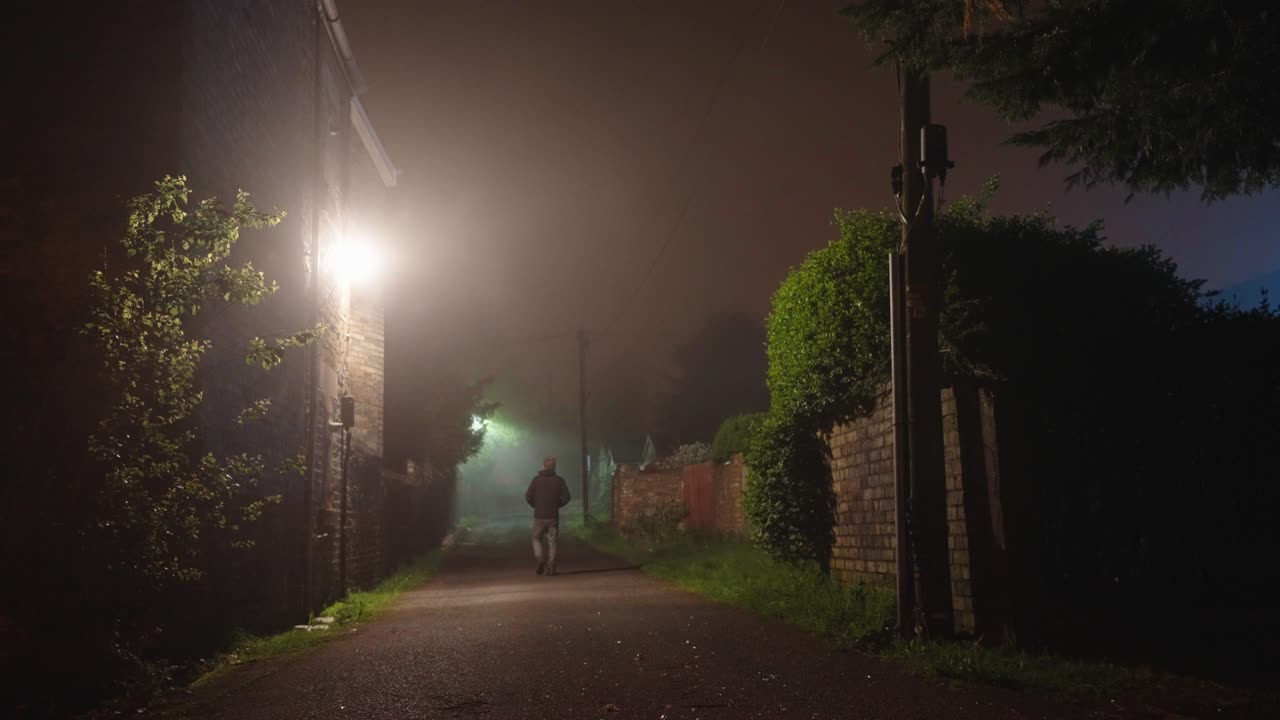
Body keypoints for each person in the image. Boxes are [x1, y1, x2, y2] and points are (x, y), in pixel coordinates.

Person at [524, 456, 571, 576]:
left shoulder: (536, 480)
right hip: (553, 516)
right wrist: (557, 505)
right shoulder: (560, 480)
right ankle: (551, 566)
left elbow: (528, 496)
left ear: (544, 466)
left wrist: (535, 505)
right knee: (552, 541)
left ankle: (540, 558)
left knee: (536, 538)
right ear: (554, 467)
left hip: (539, 515)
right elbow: (567, 497)